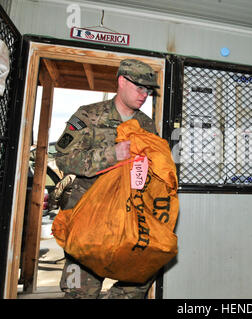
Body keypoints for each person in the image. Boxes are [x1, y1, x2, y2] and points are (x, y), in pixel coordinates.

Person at [54, 58, 160, 299]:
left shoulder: (146, 124)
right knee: (80, 290)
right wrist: (113, 154)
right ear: (122, 81)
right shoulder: (88, 116)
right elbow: (63, 159)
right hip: (88, 217)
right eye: (139, 87)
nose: (144, 94)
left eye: (148, 90)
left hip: (128, 216)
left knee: (138, 279)